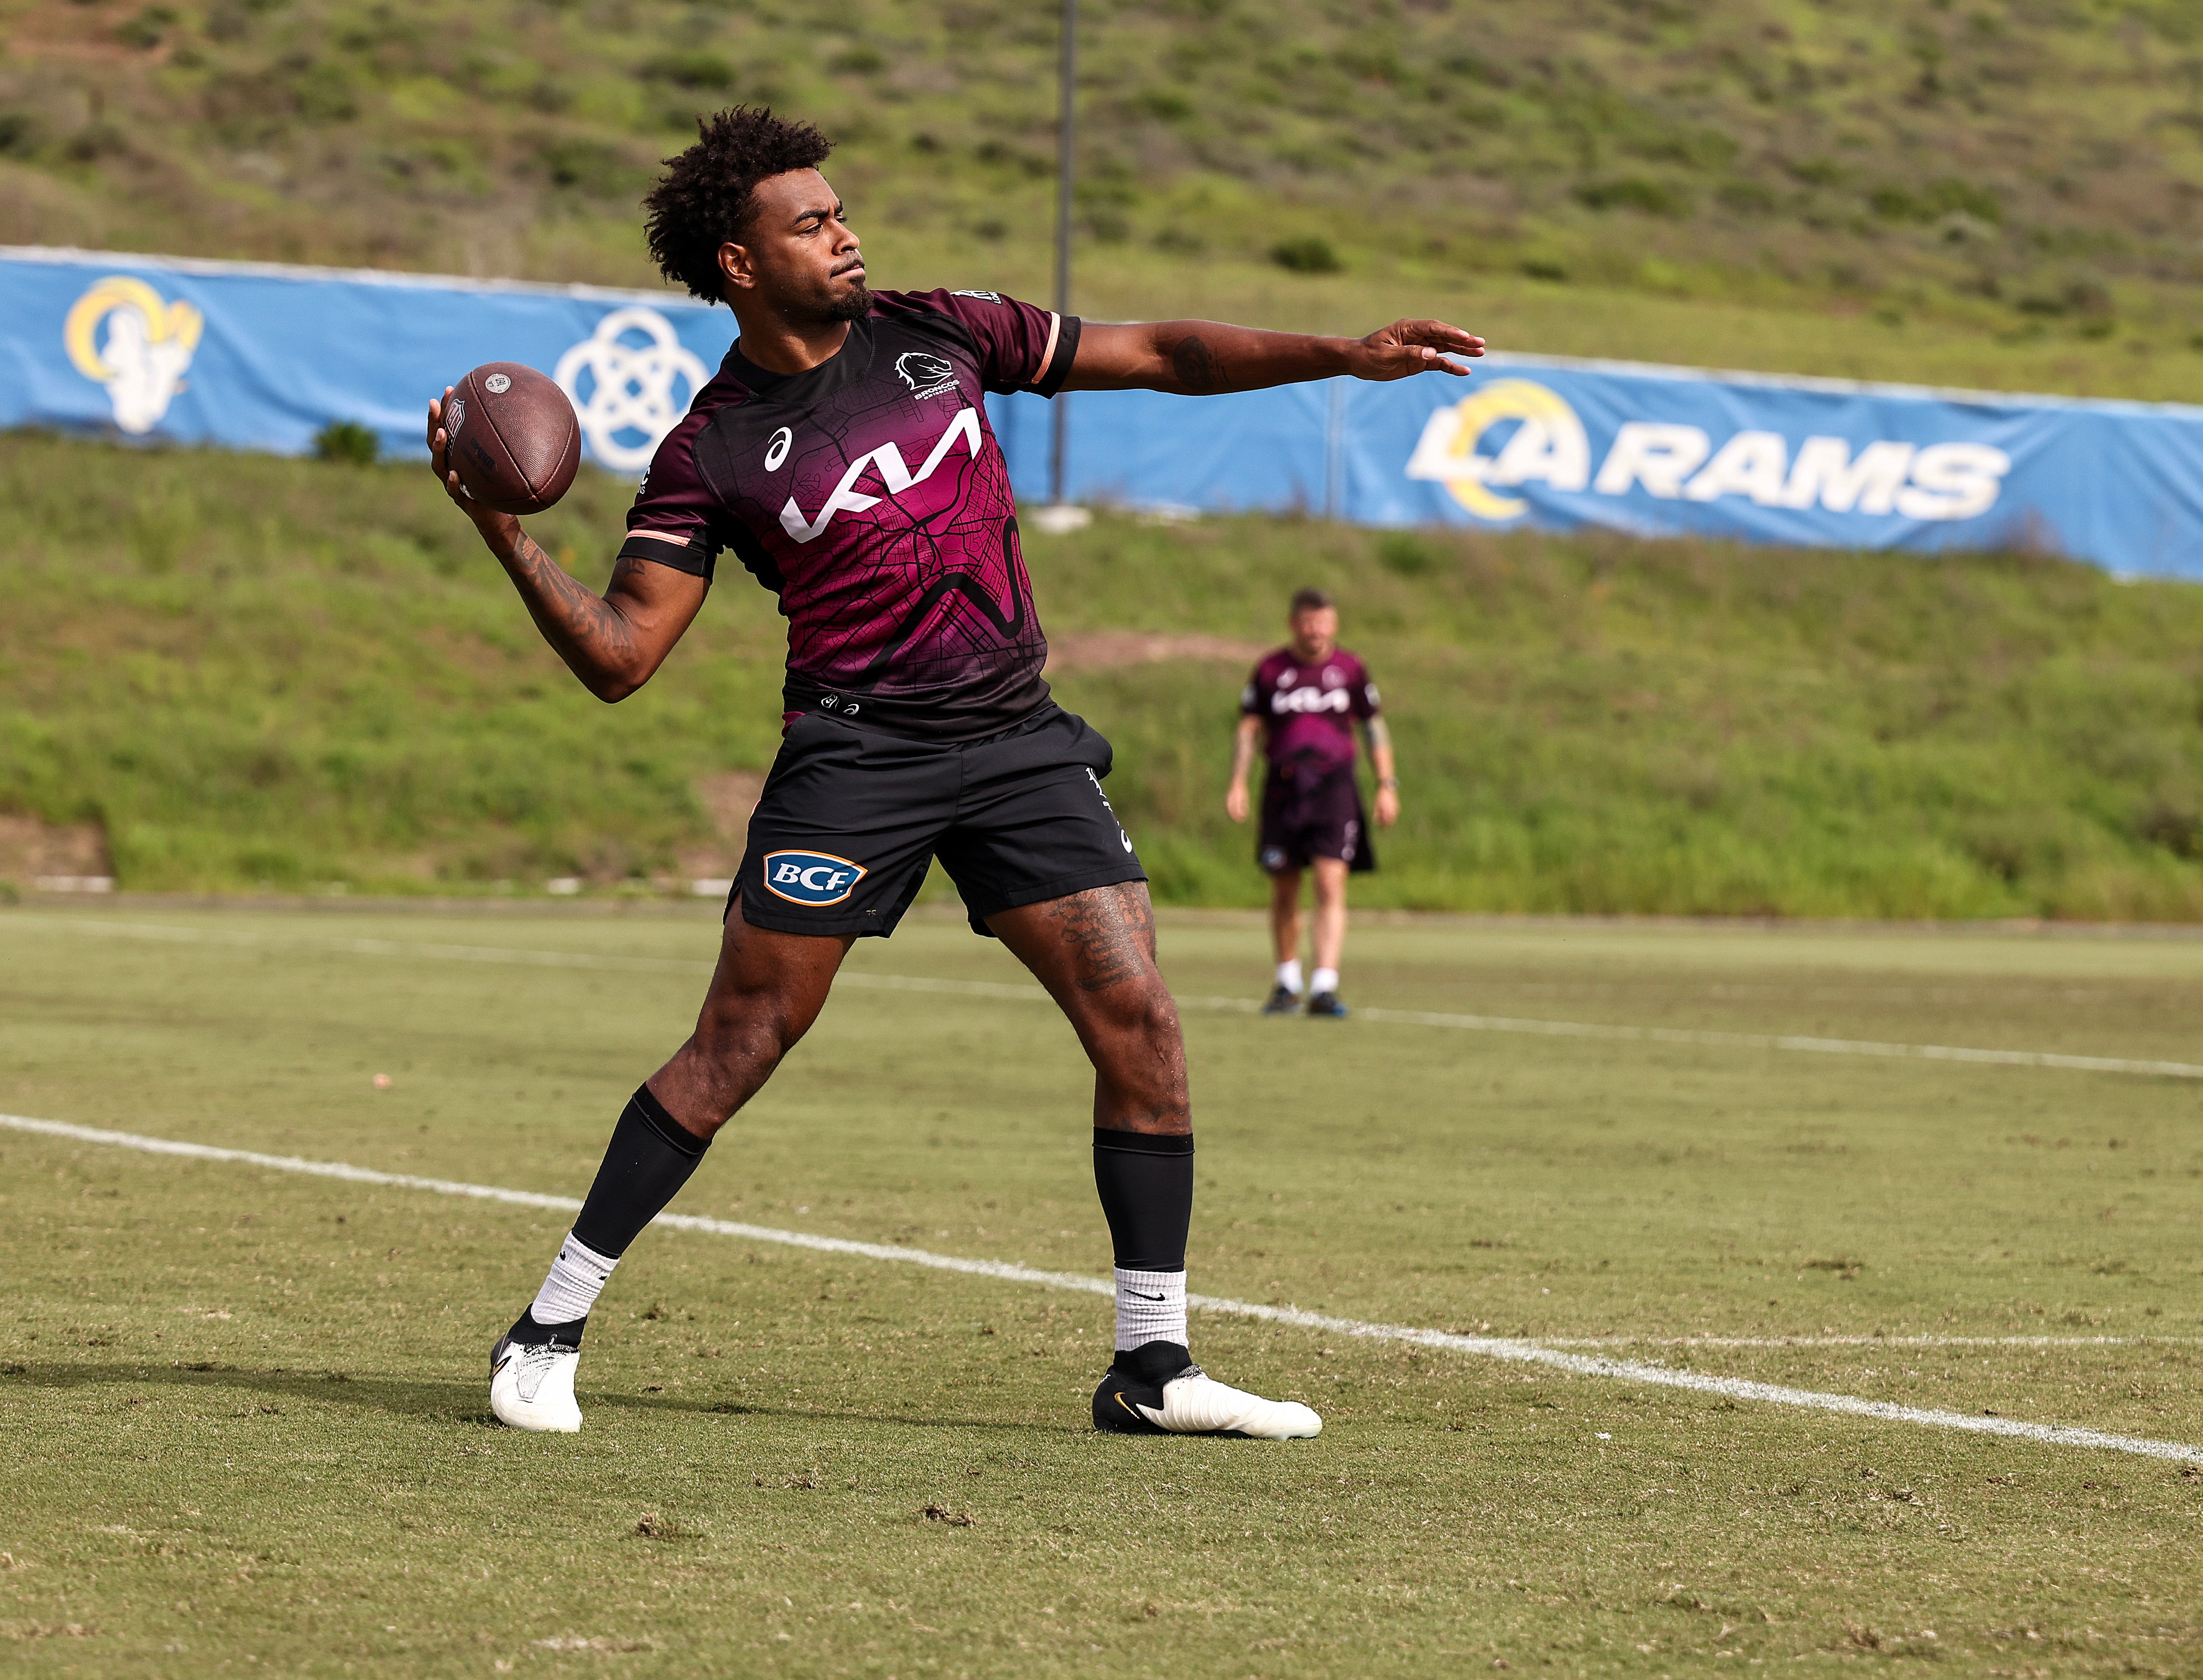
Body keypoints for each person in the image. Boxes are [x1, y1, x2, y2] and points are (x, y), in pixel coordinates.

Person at [427, 106, 1483, 1439]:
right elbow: (625, 653)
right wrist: (503, 533)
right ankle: (547, 1326)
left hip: (1014, 738)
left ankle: (1150, 1365)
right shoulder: (712, 450)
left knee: (1142, 1018)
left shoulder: (940, 329)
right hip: (856, 757)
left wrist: (1343, 354)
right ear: (740, 263)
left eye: (840, 208)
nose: (844, 230)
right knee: (740, 1041)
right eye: (810, 221)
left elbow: (1159, 351)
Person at [1226, 588, 1396, 1018]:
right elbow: (1249, 728)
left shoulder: (1351, 669)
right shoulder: (1270, 669)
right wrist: (1239, 781)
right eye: (1307, 621)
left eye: (1323, 621)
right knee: (1285, 884)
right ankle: (1287, 981)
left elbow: (1374, 727)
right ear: (1293, 624)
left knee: (1330, 880)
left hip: (1335, 786)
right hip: (1283, 786)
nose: (1315, 629)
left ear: (1334, 624)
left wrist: (1386, 783)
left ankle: (1325, 985)